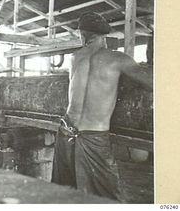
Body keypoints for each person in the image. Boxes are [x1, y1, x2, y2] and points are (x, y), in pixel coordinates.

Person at [51, 12, 153, 200]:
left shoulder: (74, 58)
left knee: (66, 192)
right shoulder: (117, 59)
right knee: (106, 196)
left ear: (83, 35)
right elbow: (152, 82)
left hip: (66, 131)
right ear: (105, 35)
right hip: (93, 136)